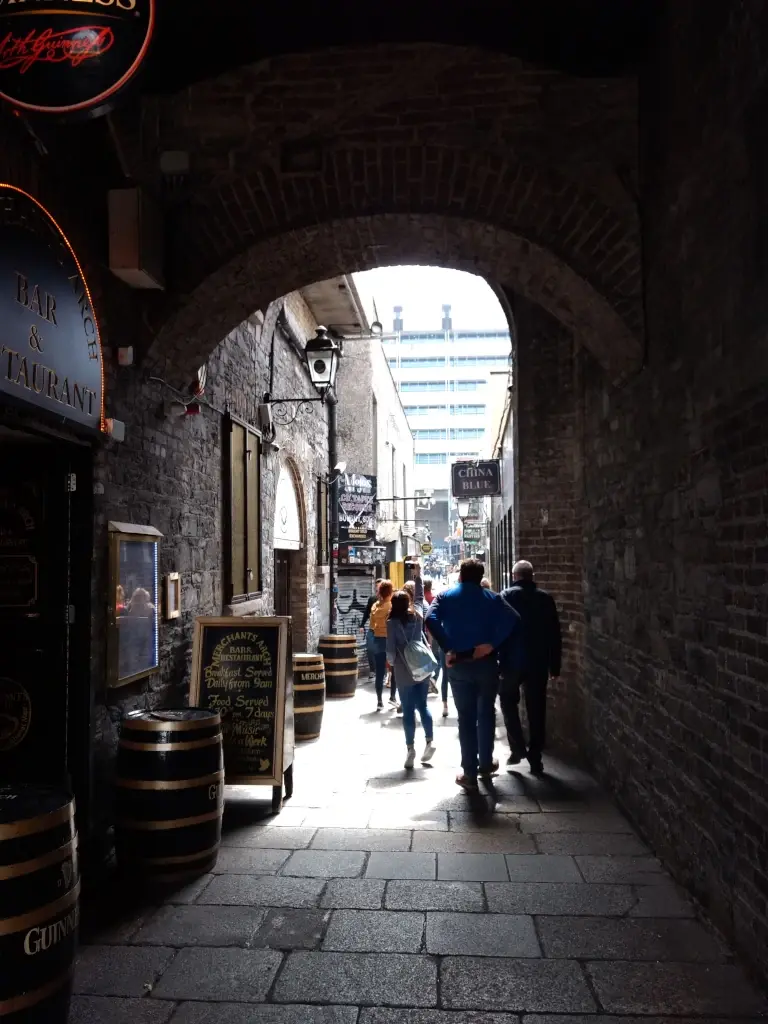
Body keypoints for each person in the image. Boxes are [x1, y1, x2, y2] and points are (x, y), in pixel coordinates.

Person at [426, 558, 520, 790]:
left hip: (459, 664)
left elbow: (430, 618)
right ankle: (486, 763)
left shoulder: (445, 597)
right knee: (486, 713)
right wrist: (492, 644)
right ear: (480, 577)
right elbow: (514, 618)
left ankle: (469, 773)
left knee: (466, 719)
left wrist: (448, 646)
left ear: (460, 575)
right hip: (486, 664)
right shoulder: (493, 598)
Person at [499, 560, 562, 775]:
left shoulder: (506, 596)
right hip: (538, 661)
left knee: (508, 702)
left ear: (515, 575)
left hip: (512, 661)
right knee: (537, 708)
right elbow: (555, 634)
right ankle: (536, 757)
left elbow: (501, 629)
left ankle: (517, 748)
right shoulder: (545, 598)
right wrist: (555, 666)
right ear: (531, 576)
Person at [386, 590, 436, 769]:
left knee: (408, 710)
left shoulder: (392, 623)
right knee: (422, 705)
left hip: (403, 668)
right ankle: (430, 741)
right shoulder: (417, 618)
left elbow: (390, 650)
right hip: (421, 665)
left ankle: (410, 749)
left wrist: (391, 667)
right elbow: (420, 596)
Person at [369, 580, 394, 710]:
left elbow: (372, 626)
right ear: (390, 592)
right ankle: (393, 697)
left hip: (378, 640)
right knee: (394, 669)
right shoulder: (391, 606)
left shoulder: (375, 606)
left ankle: (379, 701)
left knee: (380, 672)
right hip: (390, 641)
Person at [360, 578, 384, 680]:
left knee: (382, 651)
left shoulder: (388, 599)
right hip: (372, 629)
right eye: (376, 587)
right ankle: (372, 670)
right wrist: (361, 625)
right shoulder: (372, 599)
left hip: (383, 630)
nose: (377, 589)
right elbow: (366, 613)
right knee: (370, 649)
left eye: (379, 587)